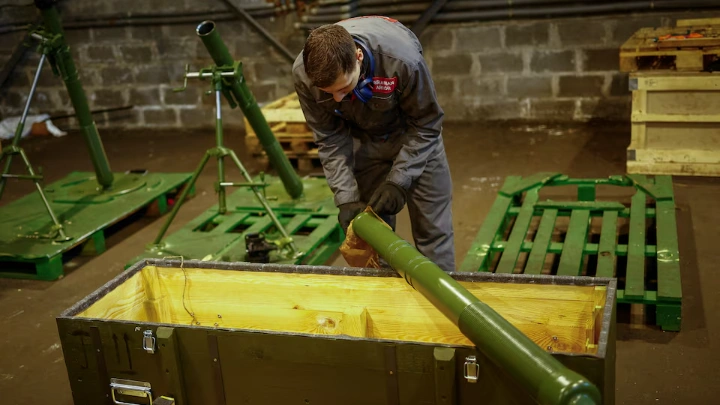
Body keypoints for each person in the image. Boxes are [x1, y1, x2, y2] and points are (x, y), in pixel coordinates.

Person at [292, 16, 455, 272]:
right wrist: (345, 198)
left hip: (416, 139)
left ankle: (443, 302)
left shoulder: (402, 62)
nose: (336, 99)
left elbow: (426, 123)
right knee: (374, 237)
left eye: (344, 88)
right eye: (328, 93)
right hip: (364, 143)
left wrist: (398, 181)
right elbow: (329, 137)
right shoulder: (304, 74)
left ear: (358, 56)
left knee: (433, 232)